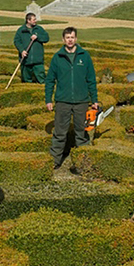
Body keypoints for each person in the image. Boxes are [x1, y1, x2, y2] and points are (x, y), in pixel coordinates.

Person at [44, 27, 98, 169]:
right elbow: (50, 80)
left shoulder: (84, 56)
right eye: (67, 37)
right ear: (63, 39)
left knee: (82, 133)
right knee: (60, 133)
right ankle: (54, 162)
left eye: (72, 37)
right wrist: (48, 99)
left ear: (76, 39)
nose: (70, 40)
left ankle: (83, 163)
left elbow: (91, 80)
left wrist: (95, 100)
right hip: (63, 101)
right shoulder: (57, 57)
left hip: (81, 101)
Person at [13, 12, 49, 83]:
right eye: (34, 19)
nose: (35, 21)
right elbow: (17, 41)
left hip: (38, 60)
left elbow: (46, 38)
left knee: (42, 80)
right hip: (26, 60)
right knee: (26, 81)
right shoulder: (21, 30)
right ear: (28, 20)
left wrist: (38, 37)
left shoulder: (39, 29)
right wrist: (22, 51)